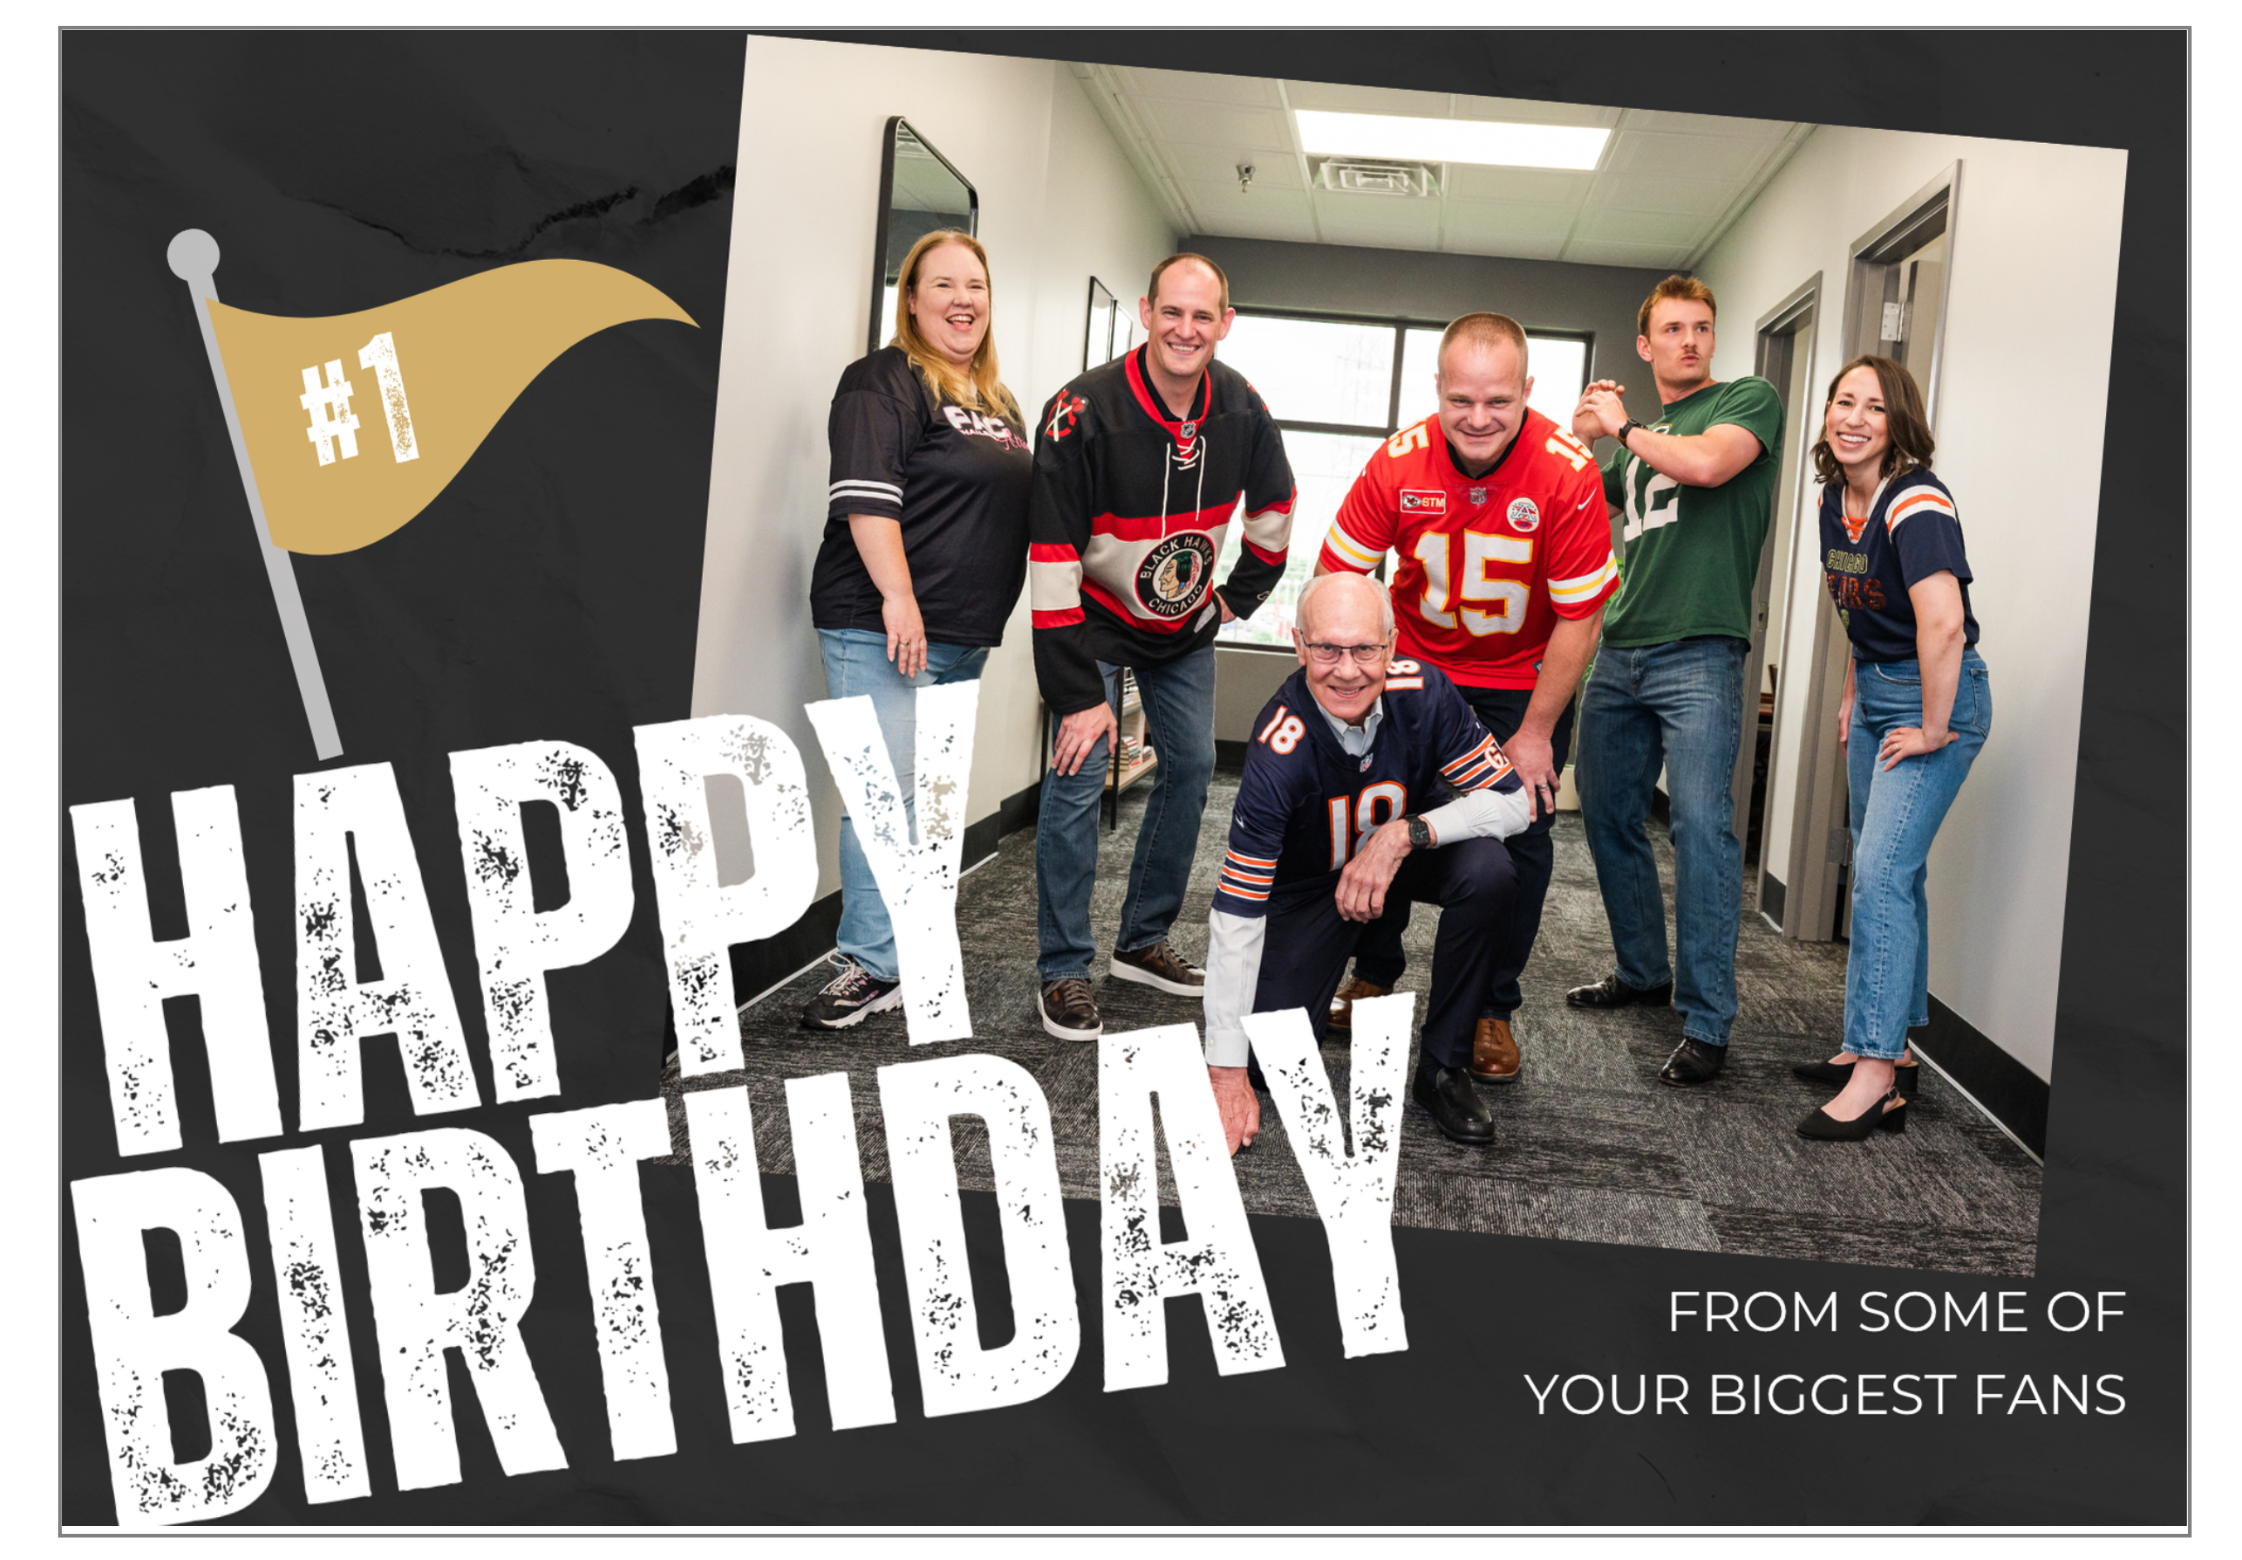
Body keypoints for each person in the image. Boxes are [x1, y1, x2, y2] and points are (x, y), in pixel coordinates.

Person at [1314, 312, 1618, 1085]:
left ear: (1527, 391)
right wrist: (1359, 678)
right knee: (1376, 814)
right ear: (1437, 391)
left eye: (1497, 402)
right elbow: (1341, 579)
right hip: (1415, 673)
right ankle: (1375, 970)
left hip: (1525, 679)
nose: (1477, 419)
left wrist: (1539, 731)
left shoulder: (1567, 470)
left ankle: (1492, 1007)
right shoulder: (1398, 462)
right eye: (1460, 401)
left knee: (1520, 841)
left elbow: (1581, 616)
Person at [1027, 253, 1297, 1041]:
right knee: (1078, 778)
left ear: (1225, 323)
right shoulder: (1081, 412)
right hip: (1092, 621)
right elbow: (1049, 559)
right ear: (1146, 313)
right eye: (1171, 313)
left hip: (1184, 628)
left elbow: (1275, 511)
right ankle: (1064, 969)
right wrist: (1076, 694)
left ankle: (1142, 940)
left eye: (1202, 316)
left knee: (1188, 770)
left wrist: (1231, 599)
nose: (1186, 329)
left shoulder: (1242, 404)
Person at [1202, 572, 1532, 1152]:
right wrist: (1225, 1071)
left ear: (1393, 644)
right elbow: (1238, 908)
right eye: (1327, 648)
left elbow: (1514, 804)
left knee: (1489, 870)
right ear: (1299, 645)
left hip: (1406, 858)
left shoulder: (1425, 692)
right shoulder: (1279, 745)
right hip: (1312, 886)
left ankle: (1442, 1069)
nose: (1347, 669)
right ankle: (1306, 1000)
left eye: (1365, 648)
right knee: (1261, 1061)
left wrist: (1406, 834)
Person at [800, 229, 1031, 1029]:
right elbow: (868, 500)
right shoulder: (883, 381)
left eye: (977, 285)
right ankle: (870, 962)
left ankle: (909, 949)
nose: (964, 300)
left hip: (963, 635)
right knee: (882, 797)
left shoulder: (997, 402)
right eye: (944, 285)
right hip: (881, 626)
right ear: (912, 299)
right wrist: (899, 597)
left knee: (928, 800)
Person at [1566, 274, 1785, 1086]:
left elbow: (1703, 469)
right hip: (1621, 648)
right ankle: (1641, 970)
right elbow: (1571, 507)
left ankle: (1706, 1019)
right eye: (1673, 328)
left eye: (1701, 326)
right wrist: (1586, 433)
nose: (1690, 339)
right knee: (1608, 814)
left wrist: (1621, 426)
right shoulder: (1638, 433)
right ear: (1645, 343)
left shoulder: (1747, 400)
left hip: (1701, 651)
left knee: (1700, 828)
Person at [1793, 356, 1989, 1140]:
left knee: (1879, 872)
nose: (1854, 418)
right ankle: (1883, 1046)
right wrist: (1852, 692)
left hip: (1934, 697)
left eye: (1875, 408)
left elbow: (1940, 622)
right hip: (1878, 694)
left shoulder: (1917, 500)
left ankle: (1877, 1071)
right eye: (1844, 402)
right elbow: (1860, 606)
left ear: (1897, 423)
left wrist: (1936, 726)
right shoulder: (1833, 501)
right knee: (1890, 872)